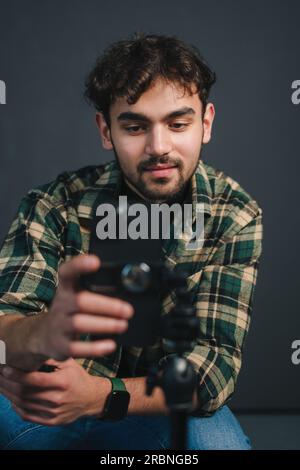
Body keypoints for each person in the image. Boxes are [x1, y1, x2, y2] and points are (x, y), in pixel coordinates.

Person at [0, 33, 262, 450]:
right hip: (48, 391)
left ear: (206, 123)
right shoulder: (54, 203)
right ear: (106, 129)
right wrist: (44, 333)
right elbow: (3, 330)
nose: (159, 147)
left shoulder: (234, 214)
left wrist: (104, 396)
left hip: (153, 405)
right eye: (135, 126)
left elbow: (213, 367)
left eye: (178, 124)